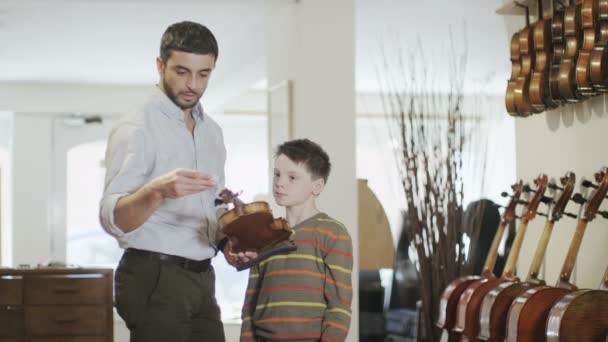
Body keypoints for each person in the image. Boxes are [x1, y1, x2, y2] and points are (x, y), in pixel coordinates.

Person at [99, 21, 251, 342]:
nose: (192, 84)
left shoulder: (213, 133)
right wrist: (157, 191)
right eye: (182, 72)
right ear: (160, 65)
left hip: (202, 277)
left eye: (203, 74)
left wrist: (228, 243)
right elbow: (113, 219)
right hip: (154, 275)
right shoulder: (136, 126)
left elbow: (211, 208)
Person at [239, 139, 354, 342]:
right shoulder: (264, 236)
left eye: (292, 177)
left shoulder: (333, 234)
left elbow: (339, 307)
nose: (280, 182)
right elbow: (249, 306)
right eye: (277, 174)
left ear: (317, 186)